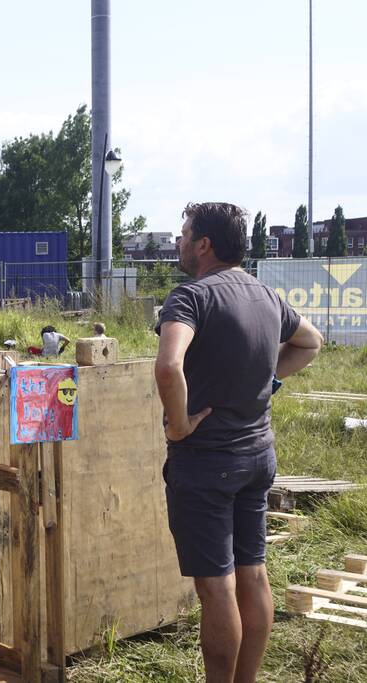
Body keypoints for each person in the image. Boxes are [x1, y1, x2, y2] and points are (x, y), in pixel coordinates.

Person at [154, 202, 323, 683]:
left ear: (204, 244)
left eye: (185, 234)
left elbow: (168, 366)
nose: (179, 242)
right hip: (257, 456)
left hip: (206, 463)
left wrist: (179, 424)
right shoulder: (266, 295)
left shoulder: (189, 298)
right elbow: (310, 341)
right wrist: (267, 379)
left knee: (217, 589)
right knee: (253, 574)